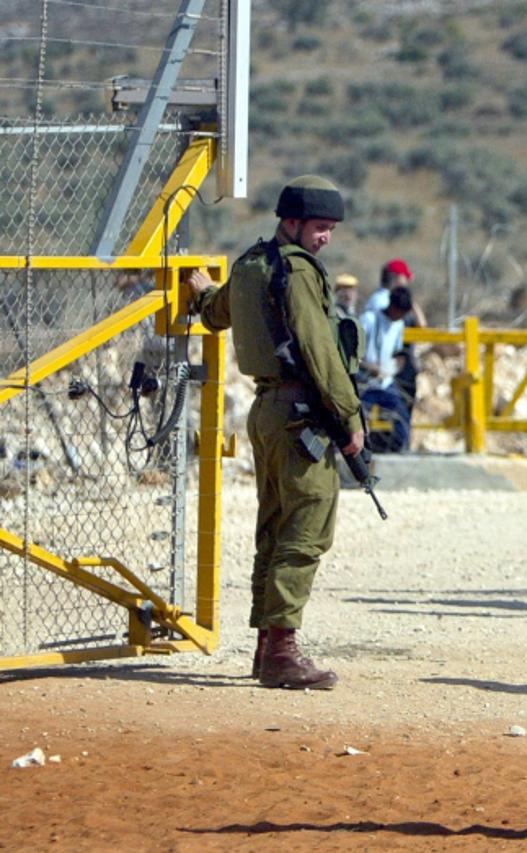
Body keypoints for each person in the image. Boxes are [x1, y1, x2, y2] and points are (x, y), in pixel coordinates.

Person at [187, 174, 362, 690]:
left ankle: (268, 650)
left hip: (266, 409)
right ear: (292, 222)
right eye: (320, 227)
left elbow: (218, 313)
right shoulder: (300, 271)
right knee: (306, 529)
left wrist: (202, 294)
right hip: (302, 411)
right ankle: (282, 651)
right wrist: (350, 421)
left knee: (275, 526)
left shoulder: (249, 264)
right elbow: (319, 350)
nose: (325, 237)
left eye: (330, 229)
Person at [359, 285, 413, 453]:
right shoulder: (368, 320)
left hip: (385, 383)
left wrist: (395, 366)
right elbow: (352, 355)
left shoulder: (399, 325)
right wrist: (370, 367)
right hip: (365, 383)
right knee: (358, 419)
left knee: (402, 417)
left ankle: (399, 451)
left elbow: (399, 353)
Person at [364, 258, 427, 327]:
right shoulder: (381, 300)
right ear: (398, 278)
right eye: (405, 278)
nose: (407, 282)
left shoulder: (389, 298)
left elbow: (421, 325)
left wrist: (409, 300)